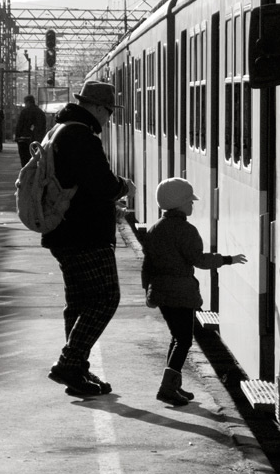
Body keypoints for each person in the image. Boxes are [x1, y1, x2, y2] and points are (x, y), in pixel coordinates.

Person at [42, 81, 134, 397]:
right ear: (96, 107)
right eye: (108, 111)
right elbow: (102, 184)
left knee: (79, 302)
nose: (109, 118)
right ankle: (70, 363)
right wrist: (124, 186)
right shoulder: (81, 136)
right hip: (84, 233)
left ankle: (78, 371)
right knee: (106, 297)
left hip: (64, 230)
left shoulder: (61, 130)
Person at [141, 177, 247, 406]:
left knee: (177, 338)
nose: (192, 205)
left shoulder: (154, 229)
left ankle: (173, 384)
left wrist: (147, 290)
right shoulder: (186, 230)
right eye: (190, 201)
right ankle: (167, 389)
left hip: (161, 293)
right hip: (180, 293)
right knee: (184, 340)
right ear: (180, 204)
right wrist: (227, 259)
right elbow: (198, 260)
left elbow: (147, 265)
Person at [14, 94, 48, 167]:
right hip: (37, 141)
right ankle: (35, 177)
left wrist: (17, 137)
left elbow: (19, 126)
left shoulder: (24, 112)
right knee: (35, 162)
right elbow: (43, 128)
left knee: (25, 162)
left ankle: (26, 177)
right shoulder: (41, 112)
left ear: (28, 102)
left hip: (23, 141)